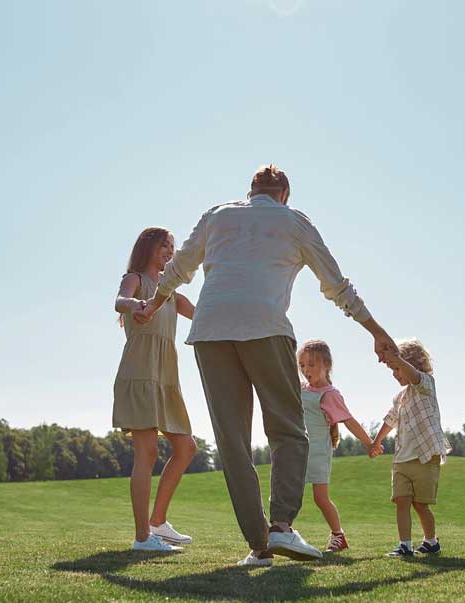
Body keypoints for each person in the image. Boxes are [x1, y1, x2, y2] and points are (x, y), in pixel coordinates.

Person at [136, 165, 398, 567]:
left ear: (250, 191)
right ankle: (280, 527)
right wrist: (376, 331)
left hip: (210, 332)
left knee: (233, 443)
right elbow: (337, 286)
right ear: (285, 195)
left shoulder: (217, 215)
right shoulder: (295, 221)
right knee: (288, 430)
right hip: (265, 329)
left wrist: (153, 306)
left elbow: (178, 270)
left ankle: (260, 546)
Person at [113, 227, 198, 552]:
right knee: (147, 452)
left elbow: (200, 314)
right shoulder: (134, 278)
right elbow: (120, 301)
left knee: (186, 448)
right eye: (165, 245)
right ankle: (142, 538)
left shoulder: (170, 290)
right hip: (139, 373)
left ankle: (158, 521)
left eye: (173, 247)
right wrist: (135, 304)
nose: (170, 251)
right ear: (148, 247)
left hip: (166, 378)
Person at [369, 339, 452, 558]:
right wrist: (376, 442)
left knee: (420, 505)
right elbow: (390, 419)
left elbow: (413, 375)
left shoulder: (426, 384)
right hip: (402, 460)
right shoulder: (399, 397)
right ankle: (405, 545)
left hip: (425, 457)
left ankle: (431, 542)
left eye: (397, 369)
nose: (394, 374)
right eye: (393, 370)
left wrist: (397, 359)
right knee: (401, 501)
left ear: (411, 364)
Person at [297, 339, 375, 553]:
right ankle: (280, 530)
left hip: (318, 454)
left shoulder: (329, 394)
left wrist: (369, 444)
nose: (305, 370)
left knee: (320, 498)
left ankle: (338, 536)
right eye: (302, 365)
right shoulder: (301, 388)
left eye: (311, 364)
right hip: (298, 452)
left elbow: (349, 420)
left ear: (326, 365)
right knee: (289, 492)